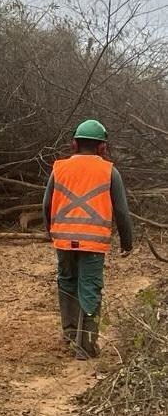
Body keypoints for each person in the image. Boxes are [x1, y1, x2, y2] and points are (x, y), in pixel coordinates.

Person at [43, 119, 134, 359]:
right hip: (93, 242)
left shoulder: (59, 168)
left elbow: (46, 204)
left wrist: (49, 231)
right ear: (102, 147)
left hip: (63, 239)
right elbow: (122, 212)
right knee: (90, 288)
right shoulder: (109, 171)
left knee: (67, 282)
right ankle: (87, 345)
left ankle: (70, 333)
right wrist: (127, 242)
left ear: (74, 144)